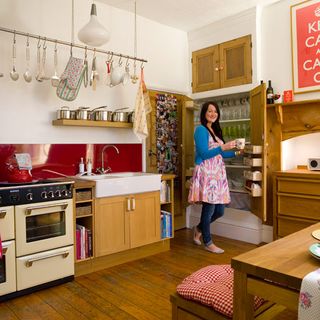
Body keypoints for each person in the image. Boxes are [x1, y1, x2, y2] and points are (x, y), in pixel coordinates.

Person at [188, 101, 242, 254]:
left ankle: (198, 228)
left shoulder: (215, 131)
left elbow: (222, 154)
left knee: (219, 211)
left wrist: (237, 152)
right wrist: (222, 147)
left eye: (215, 111)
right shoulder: (200, 130)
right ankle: (208, 242)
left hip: (217, 175)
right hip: (206, 173)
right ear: (204, 113)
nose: (213, 113)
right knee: (209, 208)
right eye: (209, 111)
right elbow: (204, 154)